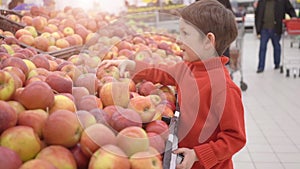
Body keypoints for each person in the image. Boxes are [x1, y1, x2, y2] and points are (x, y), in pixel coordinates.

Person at [99, 0, 246, 168]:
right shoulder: (187, 69)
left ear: (207, 41)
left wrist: (198, 154)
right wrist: (132, 65)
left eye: (185, 34)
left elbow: (235, 138)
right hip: (185, 159)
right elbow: (161, 72)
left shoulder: (224, 88)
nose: (178, 40)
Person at [255, 0, 297, 73]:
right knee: (262, 47)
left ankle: (277, 63)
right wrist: (258, 30)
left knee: (276, 46)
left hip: (276, 28)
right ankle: (260, 67)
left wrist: (293, 17)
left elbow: (290, 9)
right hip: (264, 29)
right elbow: (257, 15)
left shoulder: (281, 1)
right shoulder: (262, 2)